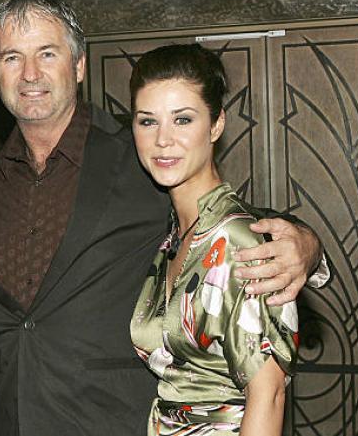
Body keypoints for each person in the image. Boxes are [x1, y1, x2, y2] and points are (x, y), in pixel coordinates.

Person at [0, 0, 326, 435]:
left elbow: (235, 223)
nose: (30, 73)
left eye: (47, 53)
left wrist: (308, 246)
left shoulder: (140, 155)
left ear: (77, 66)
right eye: (12, 57)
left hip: (121, 422)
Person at [129, 44, 297, 435]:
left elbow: (268, 393)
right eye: (147, 122)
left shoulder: (240, 240)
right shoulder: (176, 233)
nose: (163, 140)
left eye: (183, 120)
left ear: (217, 125)